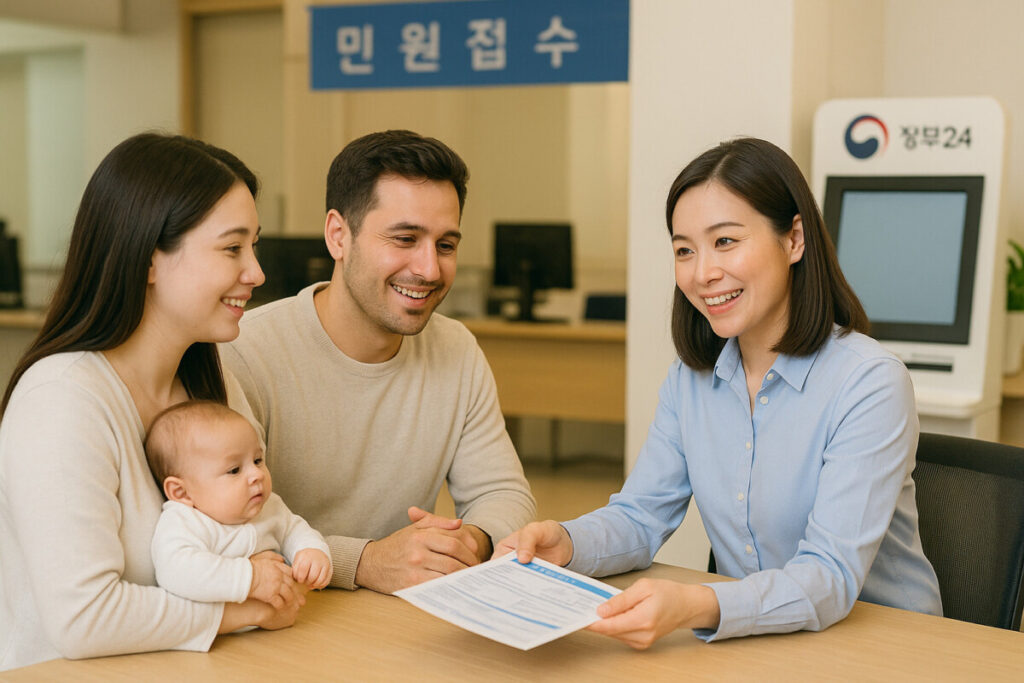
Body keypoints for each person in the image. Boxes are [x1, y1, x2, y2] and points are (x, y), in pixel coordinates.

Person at [496, 137, 942, 648]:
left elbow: (831, 576)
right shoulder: (691, 381)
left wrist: (700, 604)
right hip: (762, 643)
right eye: (684, 250)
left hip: (889, 647)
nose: (703, 272)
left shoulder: (868, 382)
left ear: (794, 239)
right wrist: (567, 542)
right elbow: (640, 517)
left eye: (725, 241)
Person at [0, 133, 305, 671]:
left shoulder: (214, 387)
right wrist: (240, 608)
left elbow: (260, 541)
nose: (256, 273)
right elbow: (84, 618)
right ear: (147, 259)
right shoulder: (62, 399)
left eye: (253, 246)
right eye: (233, 248)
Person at [221, 129, 535, 593]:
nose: (429, 269)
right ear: (338, 235)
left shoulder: (457, 349)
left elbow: (503, 494)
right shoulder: (243, 352)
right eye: (405, 238)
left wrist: (471, 539)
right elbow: (221, 532)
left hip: (397, 624)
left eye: (446, 245)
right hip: (284, 622)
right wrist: (363, 561)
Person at [145, 400, 332, 606]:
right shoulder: (185, 522)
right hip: (227, 635)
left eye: (258, 460)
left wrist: (312, 552)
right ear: (182, 492)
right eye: (234, 470)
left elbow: (294, 530)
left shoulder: (269, 506)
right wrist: (253, 577)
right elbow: (176, 571)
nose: (256, 474)